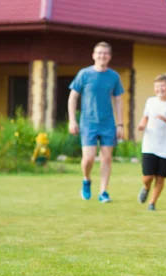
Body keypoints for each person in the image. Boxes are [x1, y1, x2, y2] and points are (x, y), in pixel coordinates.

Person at [68, 42, 125, 202]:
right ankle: (86, 180)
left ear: (110, 57)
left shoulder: (114, 76)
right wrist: (72, 120)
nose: (102, 56)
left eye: (105, 54)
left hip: (107, 124)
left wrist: (120, 124)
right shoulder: (84, 74)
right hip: (88, 123)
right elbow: (73, 96)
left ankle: (103, 192)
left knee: (106, 158)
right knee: (89, 159)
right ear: (94, 55)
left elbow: (118, 100)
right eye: (99, 53)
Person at [137, 74, 166, 211]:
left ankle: (152, 203)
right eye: (157, 86)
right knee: (148, 177)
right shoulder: (150, 102)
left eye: (162, 86)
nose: (160, 89)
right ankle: (145, 187)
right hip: (149, 145)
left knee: (160, 177)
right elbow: (145, 117)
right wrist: (141, 125)